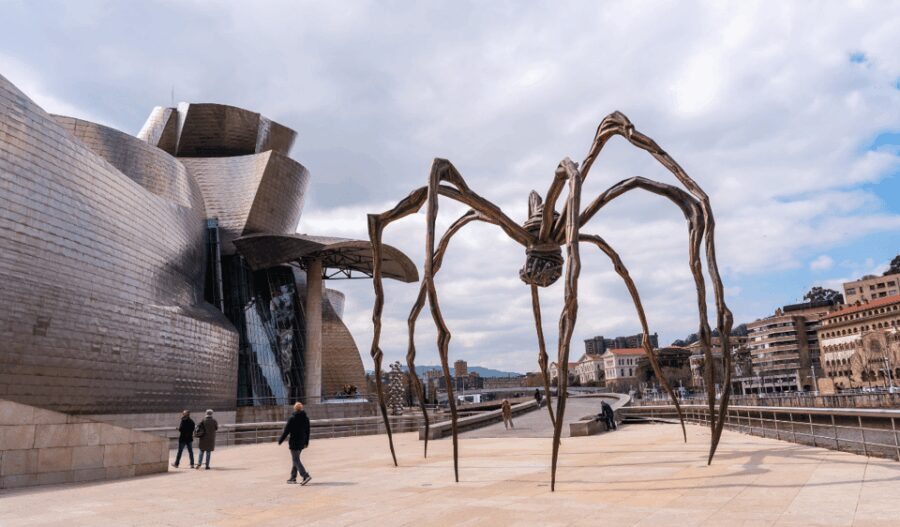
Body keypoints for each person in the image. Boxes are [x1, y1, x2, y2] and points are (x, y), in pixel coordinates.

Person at [279, 402, 311, 485]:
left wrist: (280, 440)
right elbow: (308, 431)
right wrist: (306, 442)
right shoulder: (306, 418)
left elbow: (286, 431)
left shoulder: (292, 418)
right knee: (295, 459)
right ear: (301, 408)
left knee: (295, 459)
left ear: (294, 409)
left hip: (294, 442)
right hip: (302, 442)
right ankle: (293, 477)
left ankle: (305, 475)